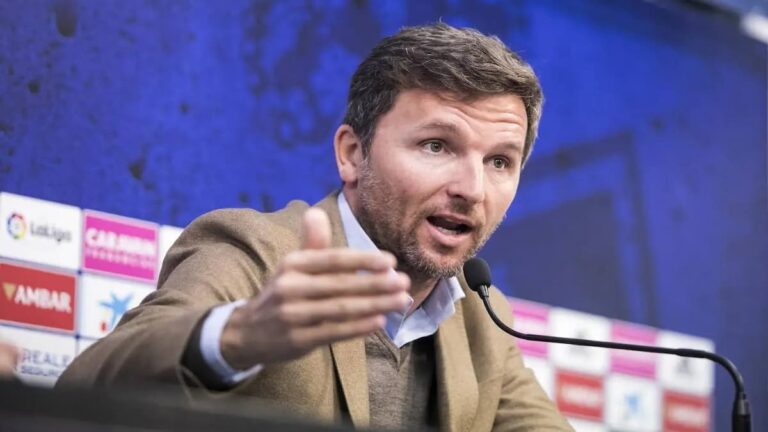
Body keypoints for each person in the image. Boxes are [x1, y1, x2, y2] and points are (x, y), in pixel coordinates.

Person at [59, 23, 573, 431]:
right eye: (436, 145)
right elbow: (83, 389)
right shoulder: (257, 253)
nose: (473, 188)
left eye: (500, 162)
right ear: (353, 154)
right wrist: (238, 336)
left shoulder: (483, 317)